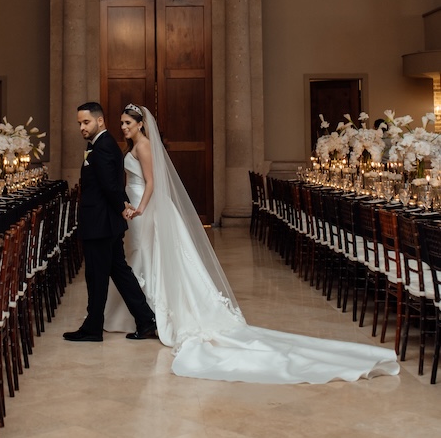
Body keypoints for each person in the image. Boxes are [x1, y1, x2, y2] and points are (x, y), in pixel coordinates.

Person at [104, 103, 400, 384]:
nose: (123, 128)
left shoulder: (143, 146)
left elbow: (152, 182)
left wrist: (140, 207)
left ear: (141, 124)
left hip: (147, 207)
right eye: (121, 124)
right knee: (142, 256)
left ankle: (146, 315)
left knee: (143, 256)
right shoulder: (134, 146)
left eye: (127, 123)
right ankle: (141, 315)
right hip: (142, 206)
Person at [62, 101, 157, 343]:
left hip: (101, 224)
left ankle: (93, 328)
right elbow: (113, 183)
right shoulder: (103, 144)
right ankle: (145, 320)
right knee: (120, 272)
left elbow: (109, 186)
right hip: (107, 222)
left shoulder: (103, 146)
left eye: (86, 122)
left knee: (96, 276)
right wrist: (122, 207)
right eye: (80, 123)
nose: (82, 127)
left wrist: (121, 207)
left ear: (100, 121)